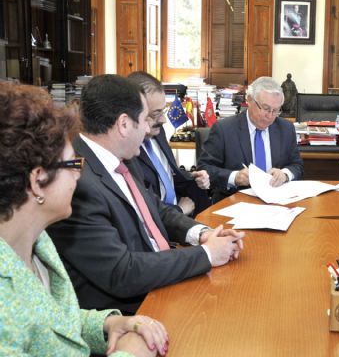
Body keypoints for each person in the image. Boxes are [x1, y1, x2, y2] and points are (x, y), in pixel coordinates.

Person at [47, 75, 244, 314]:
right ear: (124, 124)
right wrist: (207, 253)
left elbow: (153, 207)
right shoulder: (78, 183)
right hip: (132, 311)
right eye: (143, 120)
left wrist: (201, 234)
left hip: (160, 280)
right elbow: (122, 273)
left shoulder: (122, 158)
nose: (149, 129)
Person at [0, 82, 168, 356]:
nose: (79, 175)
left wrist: (108, 323)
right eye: (72, 164)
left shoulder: (38, 243)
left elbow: (51, 322)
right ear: (38, 180)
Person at [197, 76, 304, 200]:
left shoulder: (286, 128)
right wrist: (234, 177)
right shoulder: (224, 129)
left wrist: (285, 174)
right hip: (234, 202)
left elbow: (297, 165)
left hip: (276, 201)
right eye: (265, 108)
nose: (270, 115)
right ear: (249, 100)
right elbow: (204, 168)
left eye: (276, 110)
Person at [127, 71, 211, 216]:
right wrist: (179, 210)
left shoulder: (158, 133)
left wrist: (194, 177)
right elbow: (141, 209)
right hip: (164, 223)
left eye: (163, 110)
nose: (163, 120)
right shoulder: (126, 152)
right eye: (155, 114)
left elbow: (167, 176)